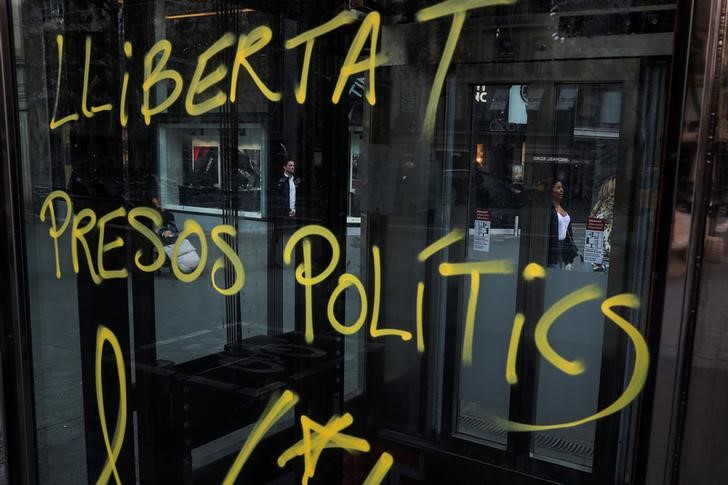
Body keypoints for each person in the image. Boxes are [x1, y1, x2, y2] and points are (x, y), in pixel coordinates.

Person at [548, 178, 579, 269]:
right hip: (553, 247)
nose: (561, 190)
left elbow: (568, 232)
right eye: (558, 188)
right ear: (551, 191)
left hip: (563, 247)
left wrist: (569, 258)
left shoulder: (563, 206)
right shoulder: (549, 209)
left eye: (562, 187)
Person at [589, 176, 616, 271]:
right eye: (612, 196)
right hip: (606, 267)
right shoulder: (603, 216)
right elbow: (594, 248)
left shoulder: (599, 212)